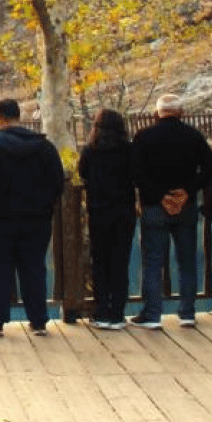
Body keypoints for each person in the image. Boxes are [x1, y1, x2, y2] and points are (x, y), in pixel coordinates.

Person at [0, 99, 64, 337]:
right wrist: (45, 206)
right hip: (36, 220)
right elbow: (58, 182)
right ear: (19, 116)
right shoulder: (44, 147)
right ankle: (38, 321)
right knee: (34, 268)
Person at [129, 95, 212, 330]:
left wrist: (160, 196)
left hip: (154, 206)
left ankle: (152, 314)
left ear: (157, 114)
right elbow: (210, 168)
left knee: (153, 262)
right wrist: (187, 191)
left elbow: (135, 173)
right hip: (185, 207)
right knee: (187, 261)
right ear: (182, 113)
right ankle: (187, 313)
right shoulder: (193, 136)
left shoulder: (143, 136)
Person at [78, 109, 136, 331]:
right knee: (120, 263)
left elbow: (82, 173)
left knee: (100, 262)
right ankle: (118, 314)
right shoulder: (128, 150)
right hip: (124, 212)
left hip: (98, 212)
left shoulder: (90, 151)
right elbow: (136, 175)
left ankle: (101, 311)